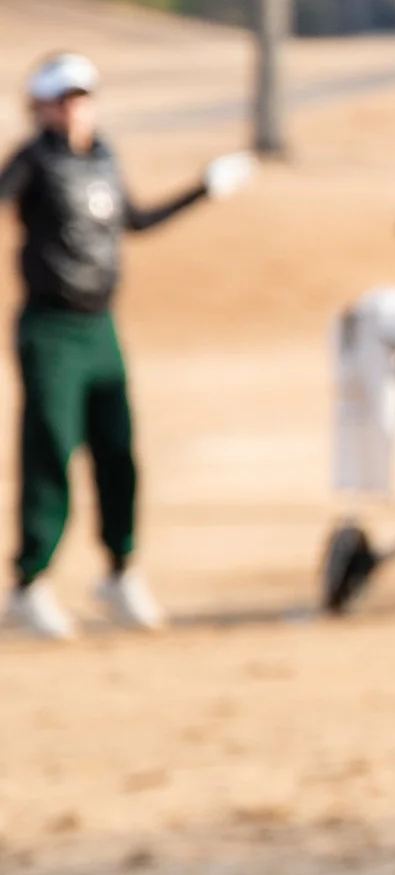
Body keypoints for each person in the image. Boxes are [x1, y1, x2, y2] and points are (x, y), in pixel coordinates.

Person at [3, 53, 253, 639]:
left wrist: (204, 190)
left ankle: (119, 572)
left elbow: (135, 220)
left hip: (101, 327)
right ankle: (28, 583)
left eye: (81, 97)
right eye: (61, 99)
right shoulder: (33, 162)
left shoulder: (104, 158)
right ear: (39, 106)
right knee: (51, 452)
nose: (74, 109)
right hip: (51, 327)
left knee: (118, 453)